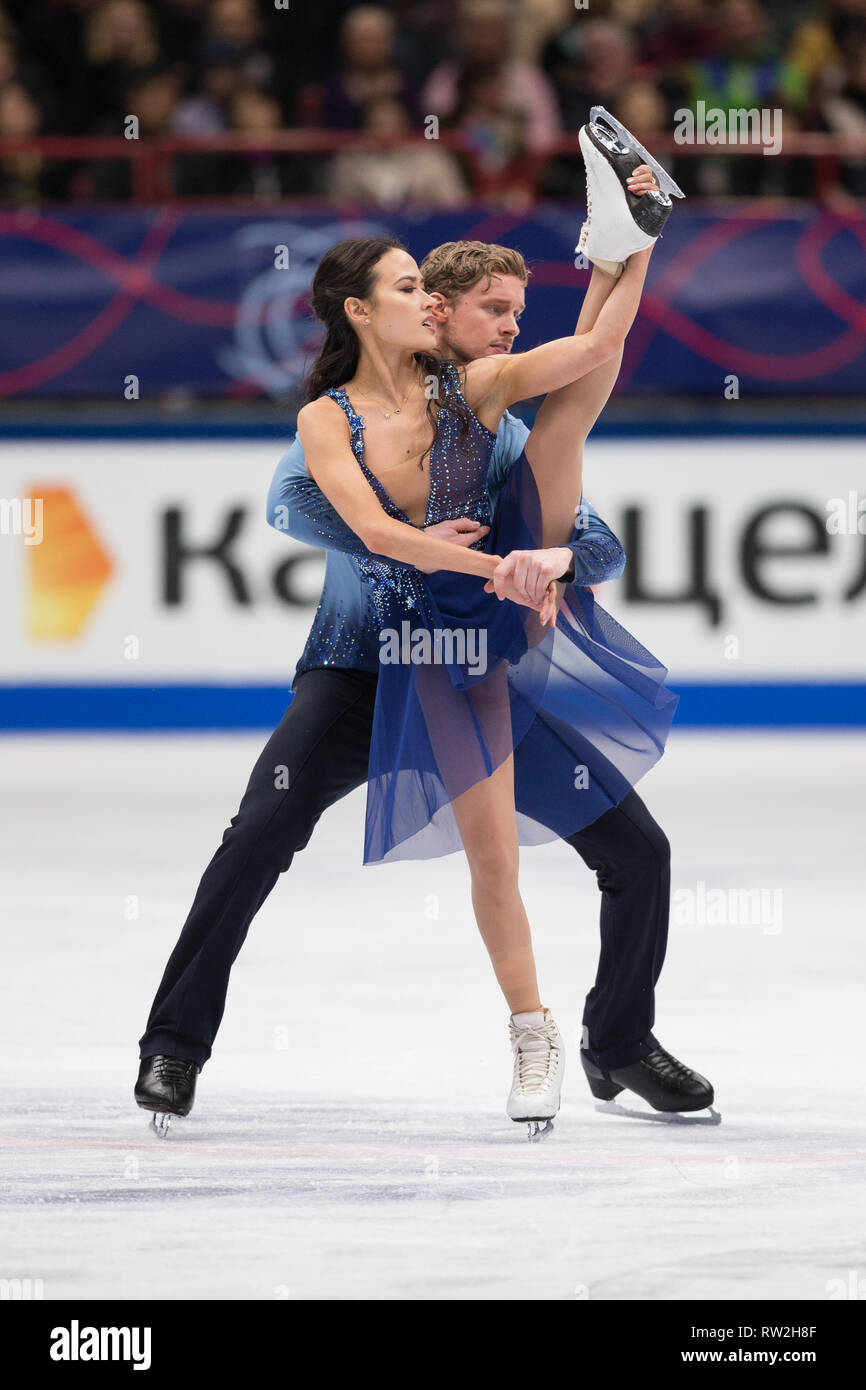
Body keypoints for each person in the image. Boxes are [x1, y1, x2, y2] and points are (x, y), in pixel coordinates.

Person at [136, 115, 714, 1134]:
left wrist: (547, 559)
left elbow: (595, 526)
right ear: (401, 311)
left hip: (467, 665)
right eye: (440, 298)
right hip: (359, 671)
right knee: (257, 833)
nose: (491, 324)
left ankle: (615, 1044)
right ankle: (173, 1048)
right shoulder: (332, 423)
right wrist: (431, 544)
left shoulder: (491, 423)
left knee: (638, 853)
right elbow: (301, 511)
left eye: (497, 309)